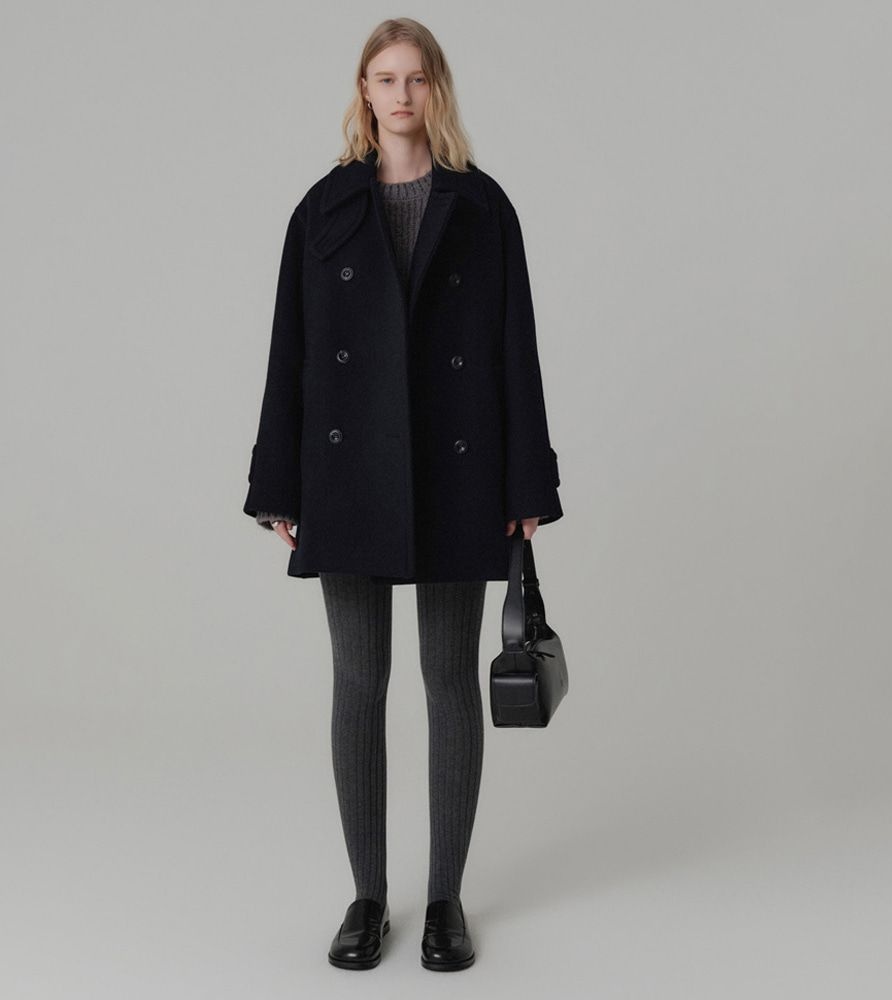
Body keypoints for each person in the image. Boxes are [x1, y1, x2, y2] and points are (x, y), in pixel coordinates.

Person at [243, 17, 562, 972]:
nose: (401, 95)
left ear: (437, 89)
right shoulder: (323, 210)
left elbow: (515, 349)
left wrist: (526, 481)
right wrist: (277, 482)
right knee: (358, 682)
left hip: (456, 467)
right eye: (385, 78)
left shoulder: (484, 207)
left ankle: (446, 902)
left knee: (448, 679)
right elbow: (291, 351)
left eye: (416, 78)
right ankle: (368, 898)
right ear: (364, 91)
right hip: (349, 472)